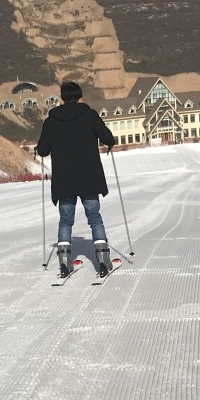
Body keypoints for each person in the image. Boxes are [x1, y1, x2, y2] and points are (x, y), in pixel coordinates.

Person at [36, 80, 116, 277]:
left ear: (61, 99)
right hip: (89, 177)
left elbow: (43, 150)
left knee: (65, 221)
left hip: (64, 180)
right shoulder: (89, 115)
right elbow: (108, 139)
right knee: (95, 218)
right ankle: (104, 261)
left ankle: (64, 263)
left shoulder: (51, 121)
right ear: (80, 98)